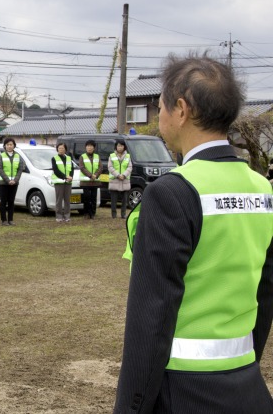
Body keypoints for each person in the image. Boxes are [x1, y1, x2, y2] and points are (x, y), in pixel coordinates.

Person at [114, 53, 273, 413]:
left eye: (161, 108)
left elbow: (150, 319)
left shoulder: (172, 193)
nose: (160, 117)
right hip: (246, 386)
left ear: (181, 110)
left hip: (181, 390)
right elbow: (265, 294)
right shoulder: (263, 190)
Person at [0, 137, 24, 226]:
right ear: (5, 146)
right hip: (3, 183)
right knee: (3, 201)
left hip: (14, 183)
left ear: (14, 145)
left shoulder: (18, 156)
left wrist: (15, 180)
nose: (9, 146)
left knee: (11, 201)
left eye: (11, 144)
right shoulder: (1, 156)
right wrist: (8, 180)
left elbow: (20, 169)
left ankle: (10, 219)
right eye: (7, 144)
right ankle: (4, 220)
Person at [107, 140, 132, 219]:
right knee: (113, 200)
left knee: (124, 200)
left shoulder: (128, 156)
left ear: (124, 147)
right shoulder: (111, 156)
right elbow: (110, 167)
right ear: (116, 147)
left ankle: (123, 214)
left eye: (121, 146)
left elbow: (130, 167)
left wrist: (124, 175)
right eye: (118, 146)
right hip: (115, 180)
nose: (120, 147)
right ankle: (114, 215)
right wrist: (118, 175)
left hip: (124, 180)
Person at [78, 140, 102, 219]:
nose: (89, 148)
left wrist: (95, 175)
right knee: (86, 198)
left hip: (95, 182)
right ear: (85, 147)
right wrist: (90, 175)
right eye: (88, 146)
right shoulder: (82, 156)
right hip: (85, 182)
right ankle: (86, 213)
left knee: (93, 198)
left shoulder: (97, 156)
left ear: (94, 148)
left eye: (91, 146)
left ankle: (93, 213)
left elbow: (100, 167)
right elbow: (82, 167)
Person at [51, 142, 73, 223]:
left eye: (62, 148)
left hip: (68, 182)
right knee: (59, 200)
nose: (61, 150)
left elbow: (72, 169)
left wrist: (70, 177)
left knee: (67, 200)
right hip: (59, 182)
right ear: (57, 149)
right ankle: (59, 216)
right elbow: (56, 170)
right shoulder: (54, 158)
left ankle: (67, 216)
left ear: (65, 149)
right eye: (59, 148)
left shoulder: (69, 158)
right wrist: (65, 177)